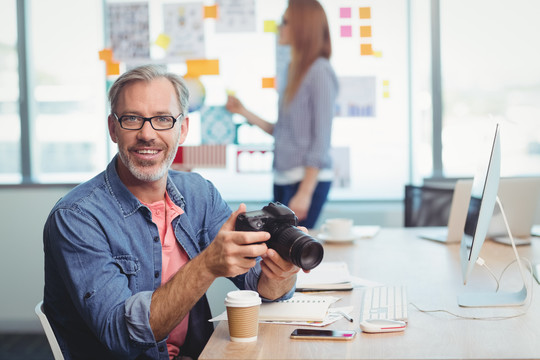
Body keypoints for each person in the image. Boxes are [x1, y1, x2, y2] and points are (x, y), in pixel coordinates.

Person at [42, 64, 300, 360]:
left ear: (183, 129)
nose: (147, 134)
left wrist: (281, 274)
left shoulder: (199, 194)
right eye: (132, 119)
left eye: (163, 119)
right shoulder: (76, 217)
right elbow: (120, 335)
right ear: (113, 129)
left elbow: (256, 282)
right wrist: (206, 266)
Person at [226, 0, 338, 229]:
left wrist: (305, 192)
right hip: (283, 178)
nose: (280, 27)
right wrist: (242, 110)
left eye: (285, 22)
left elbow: (321, 138)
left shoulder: (320, 71)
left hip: (305, 182)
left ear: (302, 27)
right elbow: (283, 132)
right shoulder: (291, 70)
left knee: (290, 251)